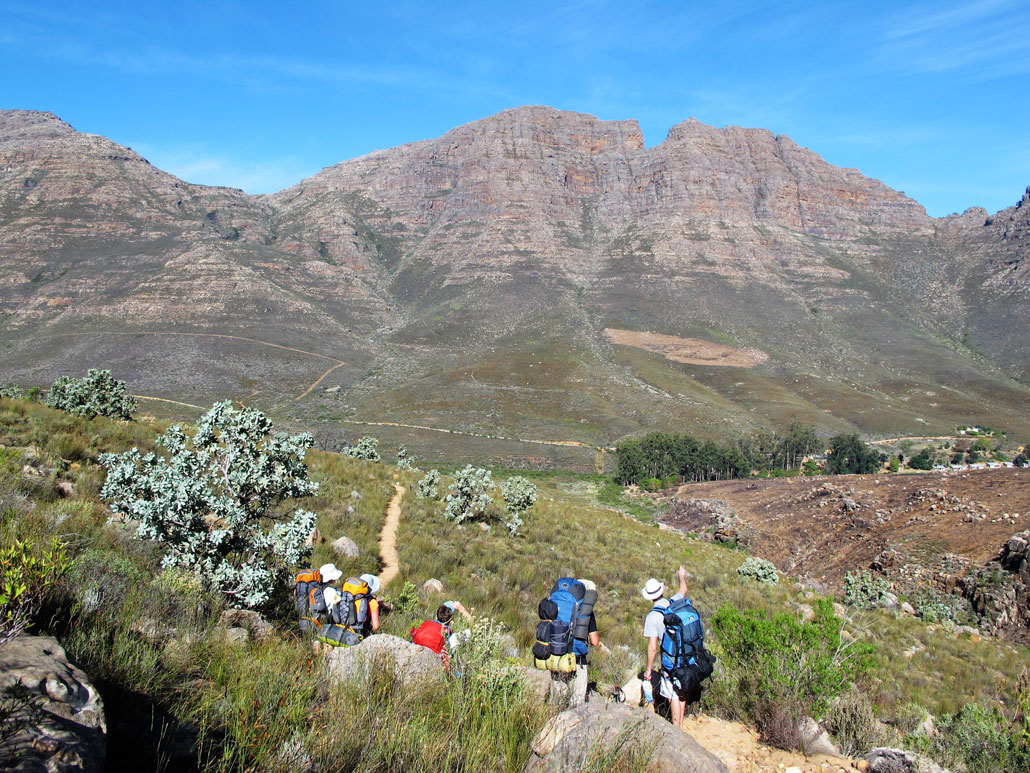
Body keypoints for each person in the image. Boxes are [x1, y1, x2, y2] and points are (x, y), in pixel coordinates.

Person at [642, 565, 692, 729]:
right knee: (681, 689)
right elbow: (683, 590)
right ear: (661, 591)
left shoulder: (652, 617)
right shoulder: (674, 602)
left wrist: (649, 669)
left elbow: (652, 647)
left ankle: (676, 729)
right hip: (686, 653)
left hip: (670, 658)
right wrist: (681, 576)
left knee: (672, 694)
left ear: (650, 598)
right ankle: (681, 724)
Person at [411, 600, 472, 668]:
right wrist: (461, 608)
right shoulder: (450, 636)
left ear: (437, 615)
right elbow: (473, 627)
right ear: (450, 621)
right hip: (436, 659)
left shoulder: (425, 624)